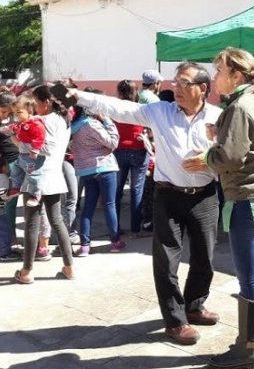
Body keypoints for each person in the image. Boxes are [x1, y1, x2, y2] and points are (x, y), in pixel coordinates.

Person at [74, 61, 222, 345]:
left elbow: (232, 153)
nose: (175, 88)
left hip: (204, 196)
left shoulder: (218, 116)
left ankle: (194, 305)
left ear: (203, 88)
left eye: (184, 83)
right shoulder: (159, 112)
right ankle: (175, 321)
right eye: (175, 82)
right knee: (166, 262)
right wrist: (77, 95)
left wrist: (207, 160)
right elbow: (119, 108)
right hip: (167, 195)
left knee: (205, 258)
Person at [200, 47, 254, 369]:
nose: (214, 78)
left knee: (248, 279)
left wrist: (207, 156)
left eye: (218, 71)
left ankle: (246, 348)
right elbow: (248, 145)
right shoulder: (253, 101)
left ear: (235, 75)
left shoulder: (240, 107)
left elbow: (230, 159)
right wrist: (219, 135)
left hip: (248, 201)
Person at [14, 85, 74, 284]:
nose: (33, 107)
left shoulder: (39, 121)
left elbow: (34, 146)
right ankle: (69, 267)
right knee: (57, 221)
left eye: (35, 102)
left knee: (32, 224)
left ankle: (27, 271)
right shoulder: (65, 120)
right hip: (55, 176)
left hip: (35, 177)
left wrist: (18, 140)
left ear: (46, 103)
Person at [70, 102, 123, 256]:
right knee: (109, 205)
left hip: (86, 170)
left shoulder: (74, 127)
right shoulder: (92, 124)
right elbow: (113, 142)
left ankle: (85, 245)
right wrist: (107, 121)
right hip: (104, 168)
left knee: (88, 207)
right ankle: (115, 241)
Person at [113, 80, 149, 238]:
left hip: (119, 149)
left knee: (116, 191)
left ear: (120, 92)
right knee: (137, 190)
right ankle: (136, 228)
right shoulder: (141, 109)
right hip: (138, 148)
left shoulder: (115, 108)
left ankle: (115, 228)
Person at [4, 96, 47, 207]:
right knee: (16, 171)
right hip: (22, 154)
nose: (17, 115)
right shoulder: (21, 123)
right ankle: (16, 187)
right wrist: (10, 129)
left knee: (33, 175)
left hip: (30, 155)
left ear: (29, 110)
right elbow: (15, 128)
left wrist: (35, 150)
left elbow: (39, 137)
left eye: (19, 112)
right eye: (14, 113)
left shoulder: (35, 123)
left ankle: (36, 195)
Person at [0, 92, 20, 261]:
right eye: (3, 111)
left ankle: (10, 238)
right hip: (6, 167)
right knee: (5, 205)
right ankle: (7, 242)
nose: (5, 115)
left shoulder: (16, 119)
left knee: (12, 204)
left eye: (8, 112)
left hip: (18, 163)